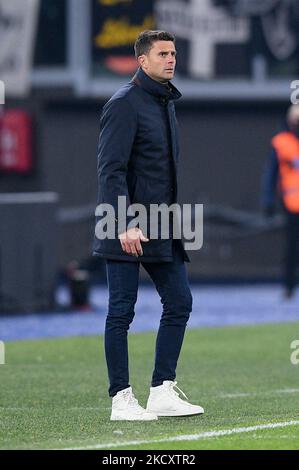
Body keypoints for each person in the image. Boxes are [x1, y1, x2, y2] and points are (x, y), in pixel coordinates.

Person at [93, 30, 204, 420]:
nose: (171, 59)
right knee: (121, 311)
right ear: (142, 61)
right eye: (162, 54)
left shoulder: (165, 102)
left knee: (180, 302)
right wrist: (124, 223)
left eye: (174, 53)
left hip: (162, 223)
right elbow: (111, 169)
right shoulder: (124, 103)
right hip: (124, 225)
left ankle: (161, 390)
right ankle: (120, 399)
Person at [261, 104, 299, 298]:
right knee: (292, 247)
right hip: (292, 203)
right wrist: (267, 199)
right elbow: (271, 174)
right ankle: (289, 286)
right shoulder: (282, 142)